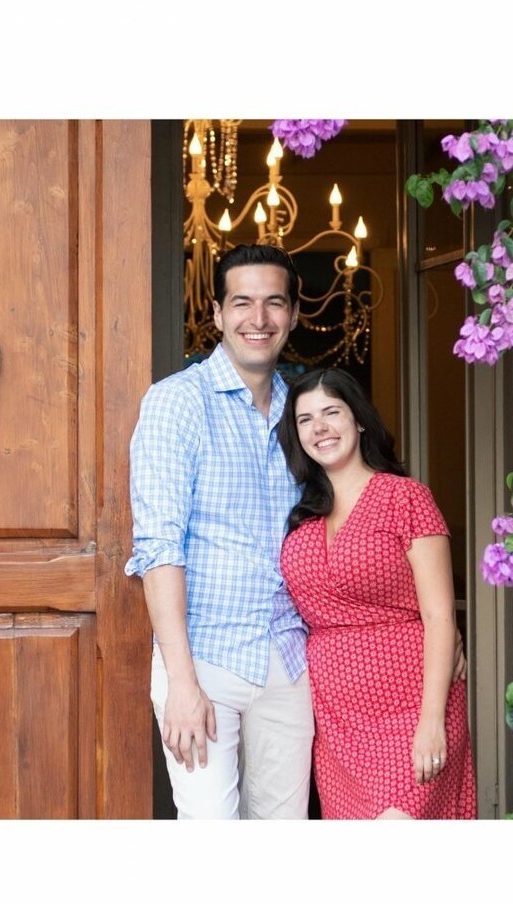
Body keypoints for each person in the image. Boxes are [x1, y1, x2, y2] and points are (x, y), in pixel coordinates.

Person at [125, 244, 315, 819]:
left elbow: (348, 522)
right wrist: (181, 682)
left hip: (288, 658)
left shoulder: (305, 412)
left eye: (274, 302)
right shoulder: (177, 403)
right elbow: (159, 548)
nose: (259, 319)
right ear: (217, 313)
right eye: (242, 302)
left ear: (294, 313)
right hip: (205, 660)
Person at [279, 367, 477, 819]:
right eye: (306, 419)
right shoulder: (301, 514)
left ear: (359, 419)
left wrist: (432, 721)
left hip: (412, 708)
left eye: (332, 412)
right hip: (337, 724)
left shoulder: (406, 498)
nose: (320, 427)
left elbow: (440, 616)